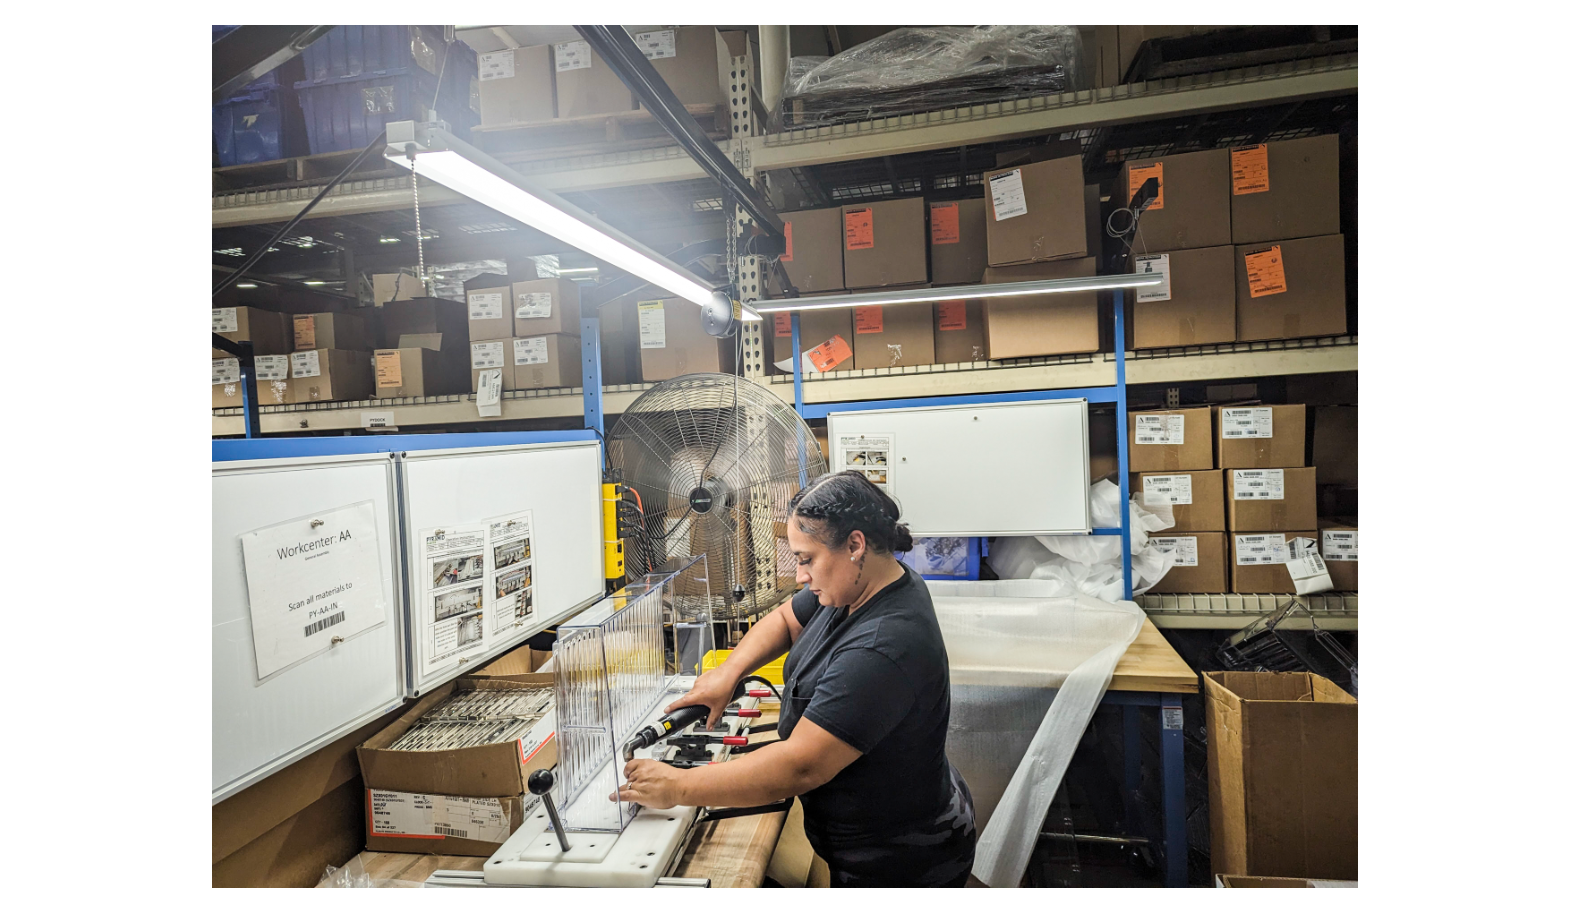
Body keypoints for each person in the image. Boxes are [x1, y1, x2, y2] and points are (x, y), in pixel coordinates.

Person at [613, 471, 976, 888]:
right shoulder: (856, 586)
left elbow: (800, 766)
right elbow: (786, 620)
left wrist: (677, 785)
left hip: (899, 860)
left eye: (806, 559)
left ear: (855, 545)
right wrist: (729, 671)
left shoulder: (884, 646)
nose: (800, 575)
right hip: (865, 836)